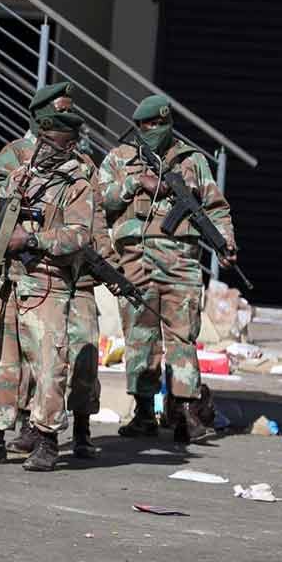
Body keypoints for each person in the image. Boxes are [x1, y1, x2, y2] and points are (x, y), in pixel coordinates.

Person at [0, 83, 110, 460]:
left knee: (52, 363)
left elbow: (81, 233)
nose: (44, 148)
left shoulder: (79, 181)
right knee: (0, 362)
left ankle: (48, 437)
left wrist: (32, 239)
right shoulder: (17, 173)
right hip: (7, 280)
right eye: (43, 140)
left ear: (67, 143)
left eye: (53, 142)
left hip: (50, 282)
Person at [100, 94, 236, 443]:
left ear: (169, 123)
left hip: (181, 262)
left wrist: (225, 241)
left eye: (160, 124)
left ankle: (186, 413)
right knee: (140, 338)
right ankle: (144, 412)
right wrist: (135, 183)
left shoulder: (192, 161)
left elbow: (216, 207)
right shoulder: (120, 158)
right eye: (147, 125)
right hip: (136, 258)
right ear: (138, 126)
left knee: (182, 336)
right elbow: (101, 200)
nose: (154, 130)